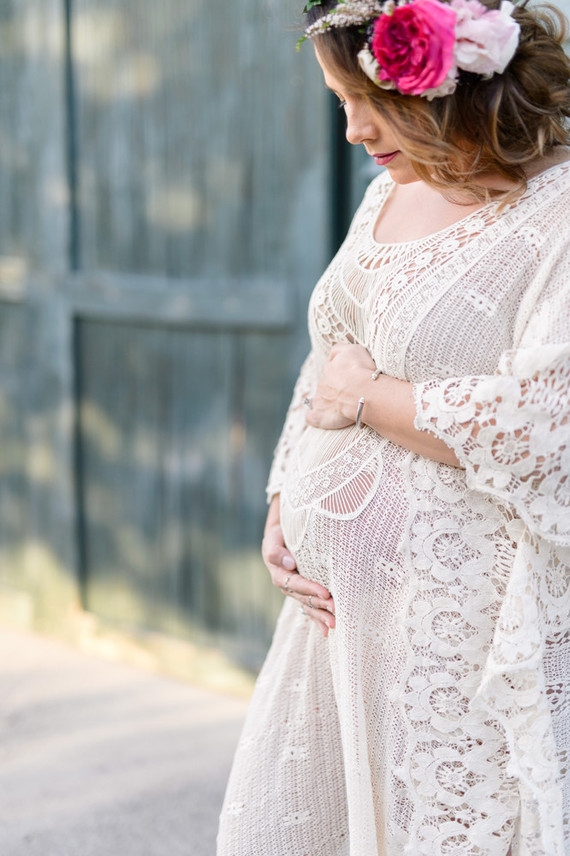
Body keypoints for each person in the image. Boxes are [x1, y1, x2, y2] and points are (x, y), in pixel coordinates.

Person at [217, 0, 570, 853]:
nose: (353, 130)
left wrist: (370, 396)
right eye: (340, 102)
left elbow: (549, 425)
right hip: (340, 631)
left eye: (368, 100)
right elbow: (327, 364)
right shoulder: (387, 192)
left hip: (459, 639)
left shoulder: (557, 213)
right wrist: (283, 503)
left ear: (451, 82)